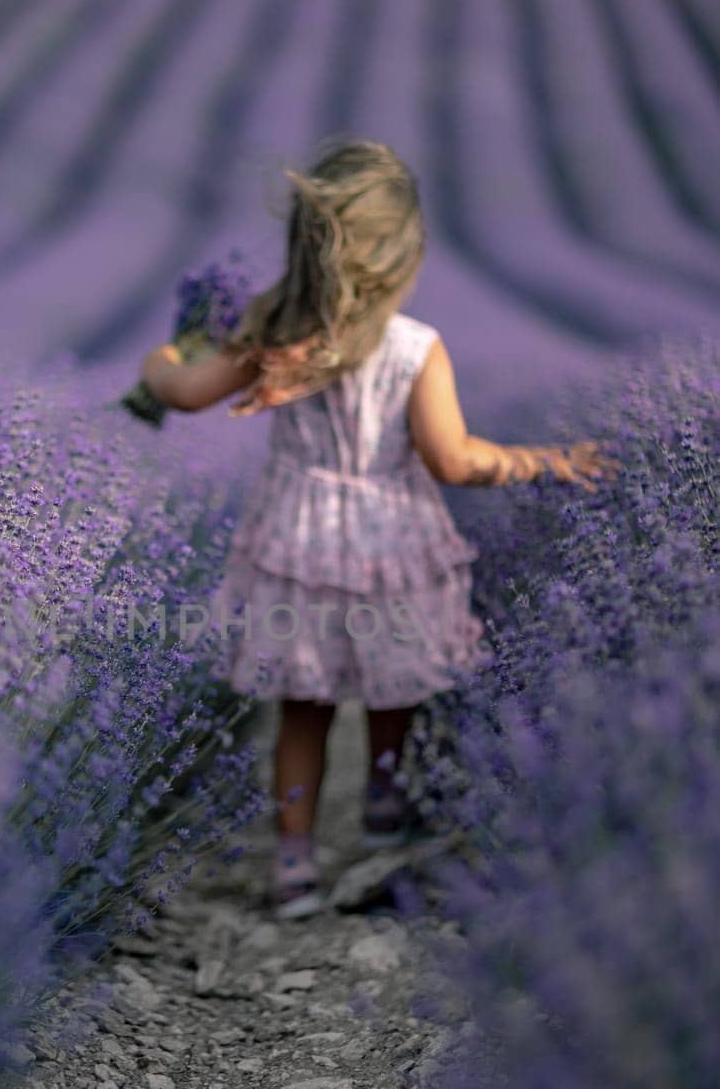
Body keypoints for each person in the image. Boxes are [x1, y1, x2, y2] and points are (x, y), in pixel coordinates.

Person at [137, 138, 618, 919]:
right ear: (401, 258)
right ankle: (385, 802)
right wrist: (544, 460)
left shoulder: (267, 326)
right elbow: (455, 463)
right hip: (391, 537)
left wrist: (158, 364)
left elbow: (187, 393)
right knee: (396, 681)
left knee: (303, 701)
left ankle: (294, 863)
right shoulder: (415, 350)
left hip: (295, 536)